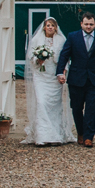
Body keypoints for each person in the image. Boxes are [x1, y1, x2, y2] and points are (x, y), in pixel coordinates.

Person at [56, 10, 95, 147]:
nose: (88, 27)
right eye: (86, 24)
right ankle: (81, 132)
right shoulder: (73, 37)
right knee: (77, 108)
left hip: (94, 79)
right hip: (76, 79)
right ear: (81, 24)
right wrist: (60, 72)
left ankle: (89, 137)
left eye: (91, 24)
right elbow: (64, 55)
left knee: (90, 109)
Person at [25, 16, 69, 146]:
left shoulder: (61, 40)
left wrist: (63, 73)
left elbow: (65, 58)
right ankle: (42, 135)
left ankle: (55, 134)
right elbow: (30, 57)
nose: (50, 27)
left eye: (53, 25)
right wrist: (38, 60)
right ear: (44, 27)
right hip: (41, 76)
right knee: (42, 102)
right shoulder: (37, 39)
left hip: (55, 76)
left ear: (56, 28)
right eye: (48, 25)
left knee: (55, 105)